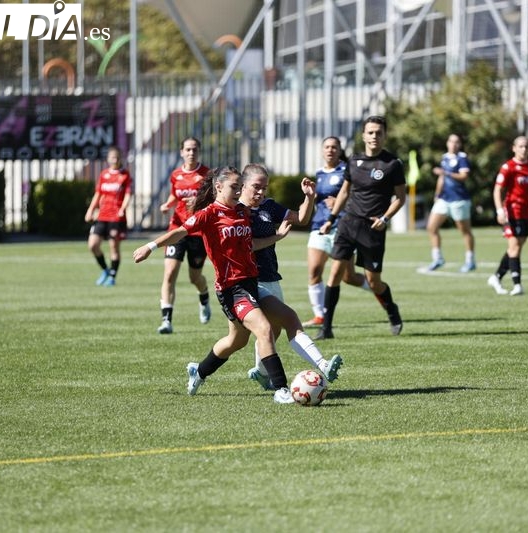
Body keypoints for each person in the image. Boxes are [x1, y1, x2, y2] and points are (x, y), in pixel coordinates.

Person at [133, 166, 295, 404]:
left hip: (252, 283)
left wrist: (277, 236)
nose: (238, 191)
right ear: (218, 187)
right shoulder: (208, 214)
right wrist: (150, 247)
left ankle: (198, 371)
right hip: (232, 289)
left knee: (237, 341)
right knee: (264, 329)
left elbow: (252, 243)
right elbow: (180, 232)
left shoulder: (242, 210)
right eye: (234, 187)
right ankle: (281, 389)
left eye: (240, 187)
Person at [237, 163, 343, 390]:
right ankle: (322, 364)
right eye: (256, 187)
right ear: (243, 185)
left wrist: (309, 197)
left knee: (271, 331)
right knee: (288, 319)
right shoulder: (236, 212)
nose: (261, 192)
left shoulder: (268, 206)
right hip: (250, 280)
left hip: (271, 276)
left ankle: (260, 372)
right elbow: (247, 246)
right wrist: (277, 237)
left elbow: (301, 219)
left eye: (264, 187)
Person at [315, 115, 407, 340]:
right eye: (371, 132)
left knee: (374, 282)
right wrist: (331, 219)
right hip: (348, 223)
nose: (374, 136)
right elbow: (344, 192)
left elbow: (400, 198)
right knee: (335, 273)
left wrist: (385, 218)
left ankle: (391, 309)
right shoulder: (354, 161)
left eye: (379, 133)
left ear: (384, 136)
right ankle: (326, 328)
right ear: (364, 135)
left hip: (373, 229)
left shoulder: (392, 164)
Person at [303, 136, 371, 328]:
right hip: (319, 226)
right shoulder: (319, 173)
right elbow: (318, 200)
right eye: (327, 147)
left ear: (340, 150)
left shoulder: (348, 171)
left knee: (349, 277)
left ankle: (378, 288)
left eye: (334, 147)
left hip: (343, 228)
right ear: (322, 150)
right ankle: (319, 316)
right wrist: (311, 196)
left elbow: (359, 198)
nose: (330, 150)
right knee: (314, 271)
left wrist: (341, 204)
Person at [156, 137, 211, 334]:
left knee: (195, 277)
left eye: (194, 149)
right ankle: (166, 321)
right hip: (177, 229)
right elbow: (175, 194)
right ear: (181, 152)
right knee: (170, 273)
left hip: (198, 231)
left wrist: (198, 202)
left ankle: (204, 296)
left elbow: (214, 200)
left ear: (199, 151)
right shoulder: (176, 174)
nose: (191, 153)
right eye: (187, 149)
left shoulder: (208, 175)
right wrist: (168, 204)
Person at [487, 136, 528, 296]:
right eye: (521, 146)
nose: (524, 149)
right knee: (514, 246)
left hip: (526, 211)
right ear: (514, 148)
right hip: (512, 211)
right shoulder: (508, 167)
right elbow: (497, 190)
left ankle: (496, 277)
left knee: (515, 247)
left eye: (527, 146)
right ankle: (517, 285)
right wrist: (499, 210)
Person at [422, 133, 476, 273]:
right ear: (447, 143)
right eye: (451, 141)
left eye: (457, 142)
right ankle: (437, 259)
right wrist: (437, 194)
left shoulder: (462, 158)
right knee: (431, 227)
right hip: (444, 199)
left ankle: (470, 261)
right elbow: (441, 178)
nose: (454, 144)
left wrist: (446, 173)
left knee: (465, 231)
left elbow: (464, 176)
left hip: (459, 200)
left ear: (460, 144)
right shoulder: (445, 157)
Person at [84, 146, 132, 286]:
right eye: (112, 158)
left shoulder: (125, 175)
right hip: (102, 216)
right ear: (108, 159)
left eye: (117, 158)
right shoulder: (104, 174)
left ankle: (112, 277)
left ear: (120, 159)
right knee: (93, 245)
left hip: (116, 218)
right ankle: (105, 269)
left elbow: (128, 194)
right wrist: (90, 210)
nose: (115, 160)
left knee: (114, 247)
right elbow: (98, 194)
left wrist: (123, 208)